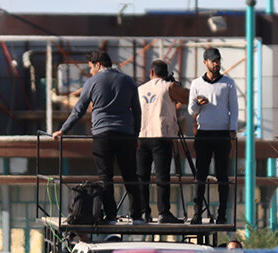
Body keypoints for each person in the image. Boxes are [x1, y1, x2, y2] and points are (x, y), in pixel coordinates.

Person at [52, 50, 144, 224]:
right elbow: (137, 111)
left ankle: (111, 216)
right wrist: (136, 134)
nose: (90, 71)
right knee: (130, 175)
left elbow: (79, 110)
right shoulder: (128, 81)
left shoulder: (92, 82)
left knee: (105, 177)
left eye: (91, 68)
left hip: (102, 134)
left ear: (98, 65)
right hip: (126, 135)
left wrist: (63, 130)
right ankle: (137, 215)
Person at [187, 47, 238, 224]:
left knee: (222, 175)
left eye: (218, 60)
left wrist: (232, 129)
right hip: (203, 133)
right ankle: (196, 213)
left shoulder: (228, 83)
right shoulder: (196, 84)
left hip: (222, 134)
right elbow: (191, 110)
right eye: (213, 61)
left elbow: (234, 108)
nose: (216, 64)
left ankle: (222, 214)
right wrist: (197, 104)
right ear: (205, 62)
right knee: (200, 174)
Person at [136, 59, 190, 224]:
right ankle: (163, 212)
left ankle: (143, 212)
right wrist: (175, 84)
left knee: (141, 177)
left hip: (142, 136)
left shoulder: (139, 89)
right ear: (166, 74)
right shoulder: (169, 87)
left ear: (151, 73)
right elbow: (188, 98)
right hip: (162, 136)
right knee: (162, 177)